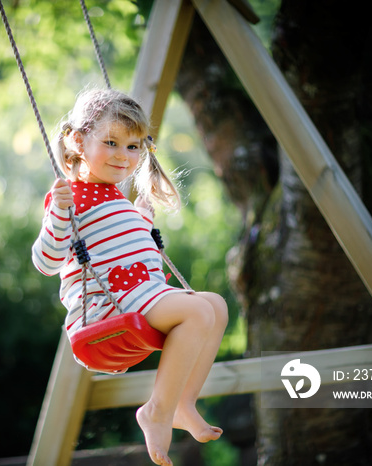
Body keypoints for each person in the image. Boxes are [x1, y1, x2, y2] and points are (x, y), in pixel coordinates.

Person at [32, 88, 228, 466]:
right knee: (198, 313)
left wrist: (142, 218)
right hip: (110, 306)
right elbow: (46, 260)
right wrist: (57, 212)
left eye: (134, 147)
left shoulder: (116, 199)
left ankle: (182, 402)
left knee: (215, 306)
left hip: (142, 293)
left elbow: (122, 246)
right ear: (78, 140)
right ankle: (155, 410)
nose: (124, 156)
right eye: (111, 143)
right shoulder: (71, 196)